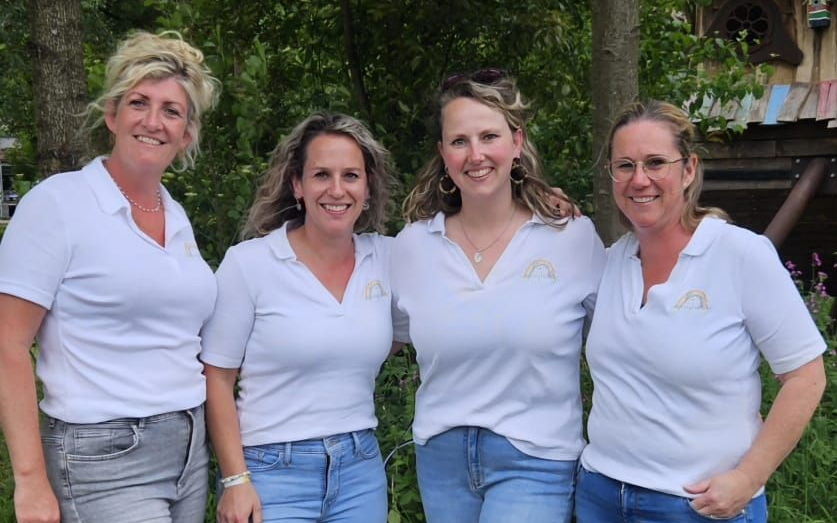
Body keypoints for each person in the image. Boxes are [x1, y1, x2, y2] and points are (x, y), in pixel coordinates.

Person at [0, 31, 220, 523]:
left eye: (171, 110)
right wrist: (31, 482)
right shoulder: (58, 203)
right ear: (112, 115)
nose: (153, 121)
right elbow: (7, 344)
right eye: (139, 102)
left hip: (188, 449)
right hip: (104, 454)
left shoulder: (176, 215)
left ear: (186, 133)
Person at [575, 100, 827, 523]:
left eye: (656, 162)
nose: (640, 180)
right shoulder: (611, 262)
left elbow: (805, 376)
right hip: (601, 494)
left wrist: (748, 477)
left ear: (688, 169)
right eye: (624, 166)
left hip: (698, 506)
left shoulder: (740, 254)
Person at [390, 69, 606, 523]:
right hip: (441, 457)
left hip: (537, 457)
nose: (476, 154)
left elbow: (620, 339)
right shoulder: (411, 246)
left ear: (517, 142)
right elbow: (373, 337)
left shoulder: (571, 237)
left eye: (489, 136)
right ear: (442, 153)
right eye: (459, 141)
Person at [201, 112, 393, 523]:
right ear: (297, 185)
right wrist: (236, 480)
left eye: (351, 176)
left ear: (368, 186)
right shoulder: (250, 263)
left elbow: (465, 235)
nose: (337, 190)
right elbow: (217, 377)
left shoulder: (390, 258)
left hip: (360, 470)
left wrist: (535, 198)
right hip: (271, 473)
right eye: (321, 174)